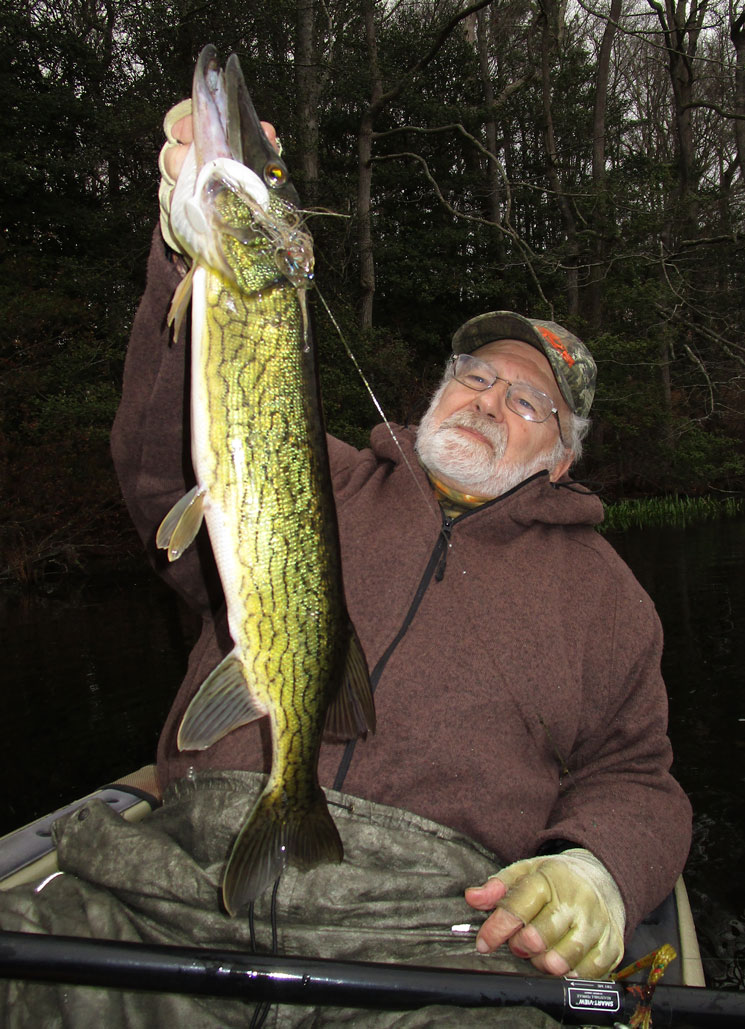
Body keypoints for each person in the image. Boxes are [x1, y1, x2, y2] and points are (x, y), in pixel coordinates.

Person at [106, 98, 692, 988]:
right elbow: (158, 471)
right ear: (438, 391)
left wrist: (596, 868)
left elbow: (638, 778)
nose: (488, 402)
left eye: (527, 401)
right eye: (475, 377)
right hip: (186, 873)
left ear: (565, 457)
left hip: (428, 925)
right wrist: (184, 251)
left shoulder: (609, 600)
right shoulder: (329, 475)